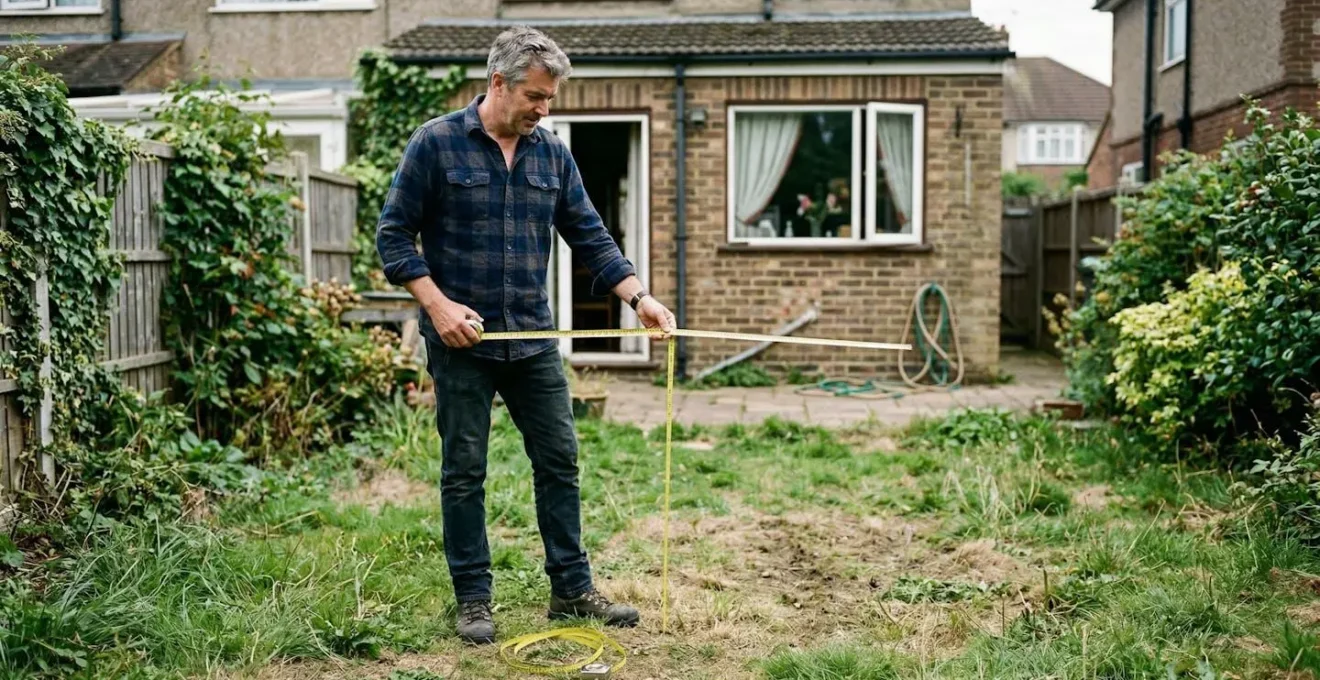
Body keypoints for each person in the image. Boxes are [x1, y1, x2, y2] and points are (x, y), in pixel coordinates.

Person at [375, 25, 676, 645]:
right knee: (464, 470)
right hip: (463, 346)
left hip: (534, 341)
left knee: (560, 461)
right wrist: (437, 308)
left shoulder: (552, 154)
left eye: (550, 100)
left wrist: (639, 298)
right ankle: (474, 601)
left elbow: (590, 235)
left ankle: (571, 591)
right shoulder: (434, 144)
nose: (544, 110)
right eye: (536, 97)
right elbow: (393, 238)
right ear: (498, 82)